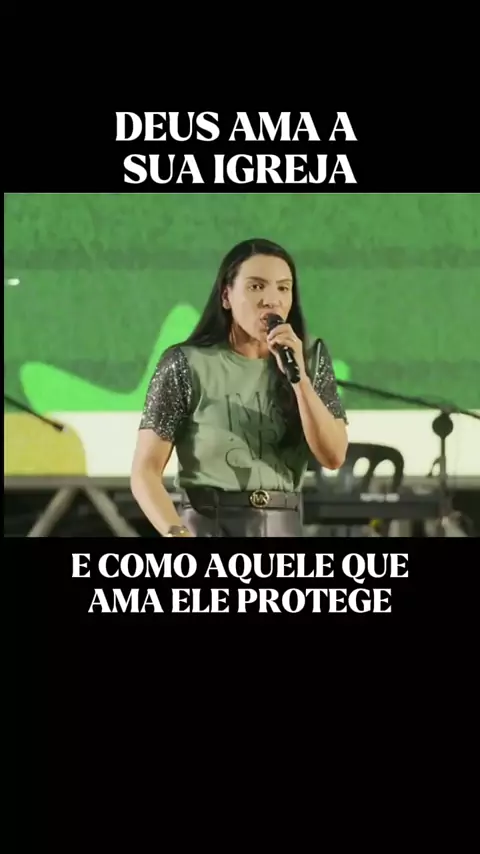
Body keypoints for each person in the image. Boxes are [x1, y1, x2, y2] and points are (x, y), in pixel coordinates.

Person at [131, 238, 348, 537]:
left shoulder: (308, 360)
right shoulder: (186, 363)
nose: (271, 300)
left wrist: (299, 380)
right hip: (207, 526)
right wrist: (176, 534)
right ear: (226, 296)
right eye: (256, 286)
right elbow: (145, 471)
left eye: (283, 288)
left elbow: (333, 456)